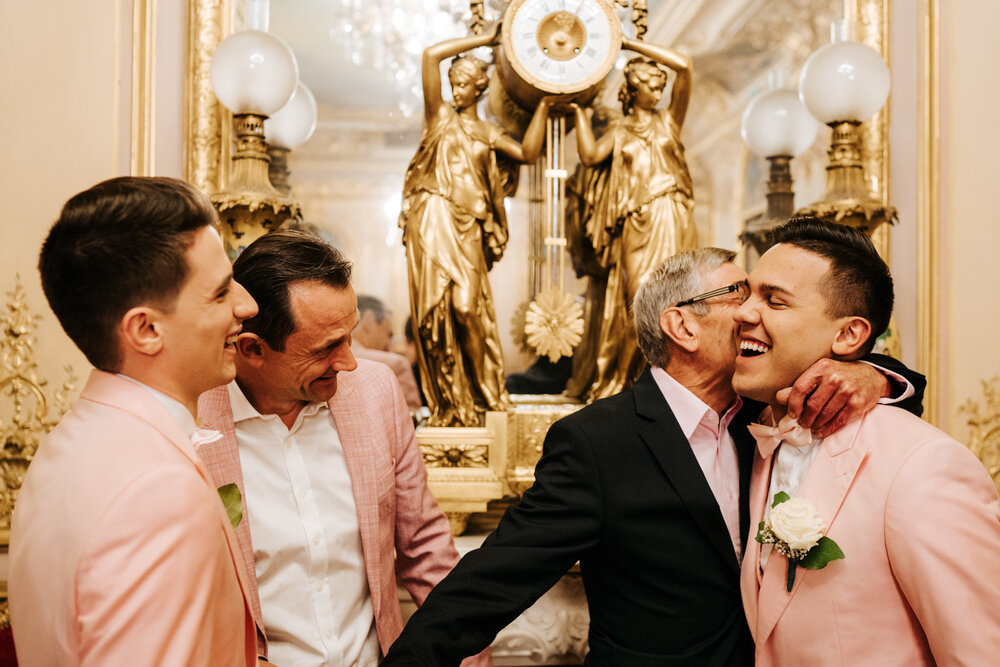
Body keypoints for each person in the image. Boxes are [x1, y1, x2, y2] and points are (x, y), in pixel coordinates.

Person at [380, 246, 924, 666]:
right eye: (741, 294)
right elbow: (492, 583)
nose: (755, 314)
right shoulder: (597, 442)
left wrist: (870, 372)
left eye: (768, 299)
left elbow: (900, 381)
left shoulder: (767, 416)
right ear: (683, 324)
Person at [195, 230, 490, 667]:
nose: (349, 362)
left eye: (349, 336)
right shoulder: (191, 420)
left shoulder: (376, 391)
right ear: (252, 349)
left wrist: (470, 660)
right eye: (327, 347)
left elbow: (427, 547)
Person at [9, 177, 261, 666]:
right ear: (145, 329)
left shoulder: (68, 441)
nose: (246, 305)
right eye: (220, 291)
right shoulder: (158, 492)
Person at [734, 217, 1000, 664]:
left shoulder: (922, 467)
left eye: (774, 301)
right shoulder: (756, 432)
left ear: (848, 335)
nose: (743, 313)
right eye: (747, 295)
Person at [399, 22, 548, 427]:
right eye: (454, 82)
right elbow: (431, 55)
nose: (457, 89)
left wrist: (546, 103)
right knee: (435, 314)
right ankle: (451, 403)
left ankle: (486, 395)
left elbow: (529, 152)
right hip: (432, 217)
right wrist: (486, 40)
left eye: (465, 82)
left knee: (467, 308)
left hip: (468, 226)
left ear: (480, 88)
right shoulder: (439, 118)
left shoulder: (487, 132)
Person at [569, 39, 700, 401]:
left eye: (661, 84)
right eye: (650, 84)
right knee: (638, 299)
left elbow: (685, 67)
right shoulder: (621, 131)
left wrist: (628, 43)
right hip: (635, 221)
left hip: (669, 213)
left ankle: (669, 385)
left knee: (675, 300)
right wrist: (578, 108)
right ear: (632, 88)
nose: (658, 89)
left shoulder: (669, 122)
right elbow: (590, 154)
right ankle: (636, 385)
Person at [353, 294, 422, 410]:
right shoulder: (395, 365)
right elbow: (411, 420)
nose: (389, 346)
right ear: (369, 321)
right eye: (389, 335)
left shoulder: (326, 358)